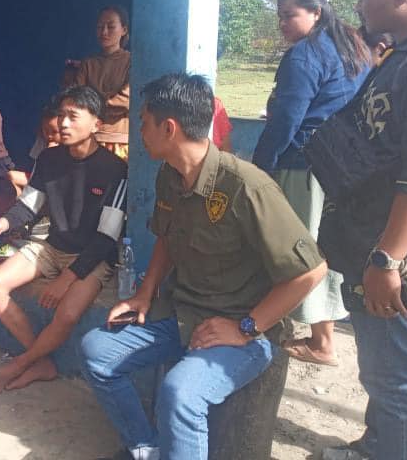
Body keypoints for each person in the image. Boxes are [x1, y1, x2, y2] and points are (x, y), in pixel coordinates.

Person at [80, 73, 327, 460]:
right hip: (181, 312)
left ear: (169, 128)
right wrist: (144, 295)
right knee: (97, 351)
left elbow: (311, 272)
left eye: (143, 121)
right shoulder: (170, 175)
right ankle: (148, 448)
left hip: (245, 327)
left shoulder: (247, 186)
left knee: (181, 393)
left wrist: (245, 328)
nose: (138, 130)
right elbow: (166, 236)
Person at [309, 0, 407, 460]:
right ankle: (377, 446)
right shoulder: (403, 55)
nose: (358, 5)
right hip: (370, 241)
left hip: (397, 255)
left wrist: (387, 260)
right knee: (381, 366)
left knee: (398, 374)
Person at [252, 0, 371, 367]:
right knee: (325, 247)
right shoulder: (354, 47)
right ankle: (321, 336)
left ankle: (316, 341)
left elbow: (286, 120)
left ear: (316, 12)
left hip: (304, 166)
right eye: (280, 16)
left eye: (290, 16)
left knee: (298, 250)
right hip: (342, 166)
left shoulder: (305, 55)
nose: (282, 24)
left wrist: (261, 168)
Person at [0, 86, 127, 394]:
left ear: (96, 124)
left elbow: (107, 238)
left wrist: (68, 278)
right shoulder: (49, 159)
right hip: (52, 247)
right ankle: (41, 362)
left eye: (73, 117)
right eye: (61, 115)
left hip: (91, 256)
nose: (63, 124)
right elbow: (30, 205)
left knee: (69, 312)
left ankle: (22, 363)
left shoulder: (115, 170)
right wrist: (5, 222)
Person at [69, 6, 131, 160]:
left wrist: (94, 104)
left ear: (123, 30)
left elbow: (128, 99)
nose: (104, 32)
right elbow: (78, 98)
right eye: (99, 27)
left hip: (120, 140)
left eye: (111, 27)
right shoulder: (88, 63)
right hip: (90, 138)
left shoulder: (131, 61)